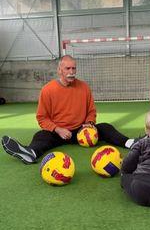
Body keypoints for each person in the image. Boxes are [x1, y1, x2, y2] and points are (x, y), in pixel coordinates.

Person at [1, 55, 135, 164]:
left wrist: (89, 123)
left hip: (82, 132)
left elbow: (91, 111)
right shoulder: (47, 90)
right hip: (59, 133)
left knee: (105, 127)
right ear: (60, 70)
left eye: (74, 68)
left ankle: (132, 143)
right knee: (41, 135)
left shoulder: (84, 87)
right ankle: (30, 153)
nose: (71, 72)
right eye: (67, 69)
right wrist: (58, 129)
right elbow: (42, 118)